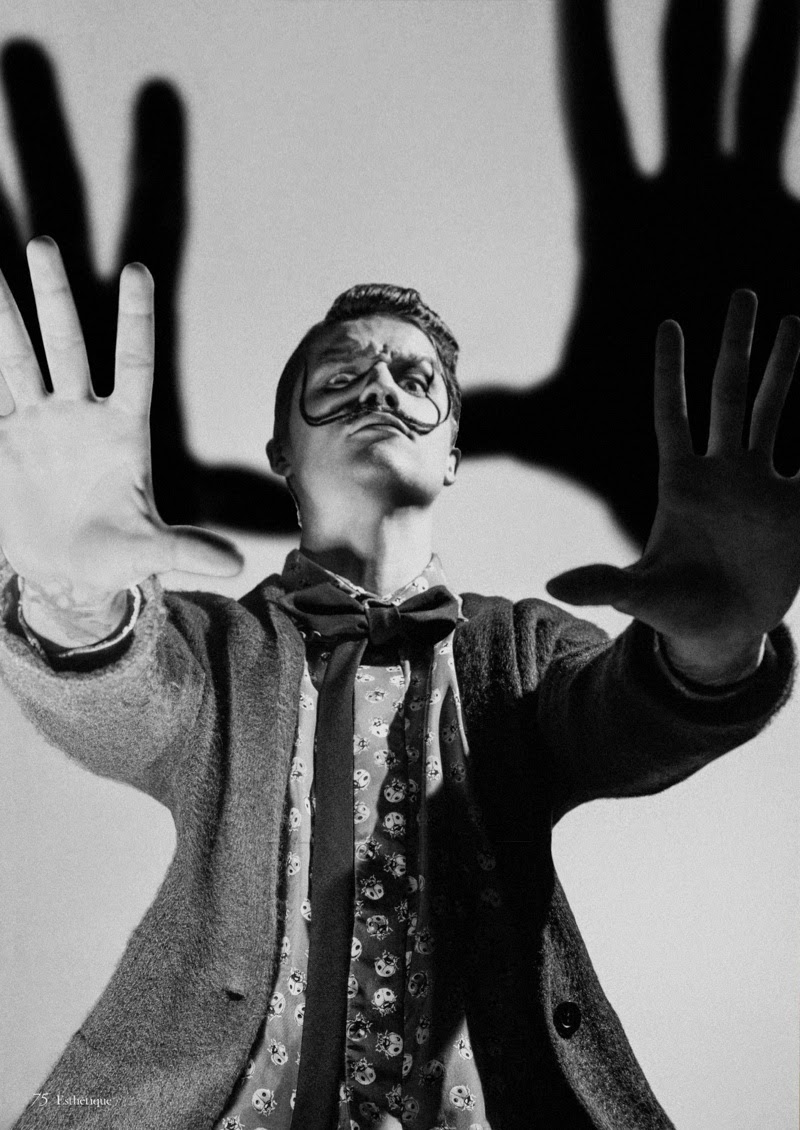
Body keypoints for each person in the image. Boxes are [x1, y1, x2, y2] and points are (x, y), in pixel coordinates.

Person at [0, 236, 797, 1130]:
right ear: (281, 450)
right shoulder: (219, 651)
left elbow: (624, 719)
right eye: (341, 376)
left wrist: (715, 650)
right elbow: (131, 699)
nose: (379, 387)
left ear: (452, 452)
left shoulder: (523, 648)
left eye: (416, 379)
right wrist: (72, 609)